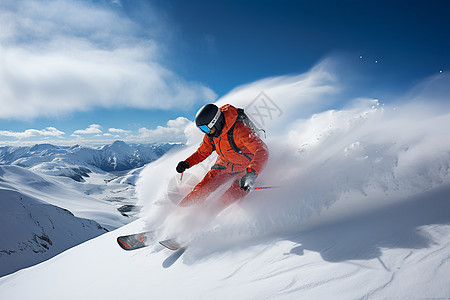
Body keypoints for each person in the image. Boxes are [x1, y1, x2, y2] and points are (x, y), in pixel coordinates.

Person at [176, 103, 269, 207]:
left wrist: (251, 173)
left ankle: (214, 220)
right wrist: (187, 163)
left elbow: (261, 150)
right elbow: (202, 153)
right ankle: (179, 212)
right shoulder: (211, 135)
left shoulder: (240, 131)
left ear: (216, 122)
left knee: (227, 199)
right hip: (224, 165)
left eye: (206, 129)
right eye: (202, 130)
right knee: (200, 190)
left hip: (245, 168)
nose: (205, 132)